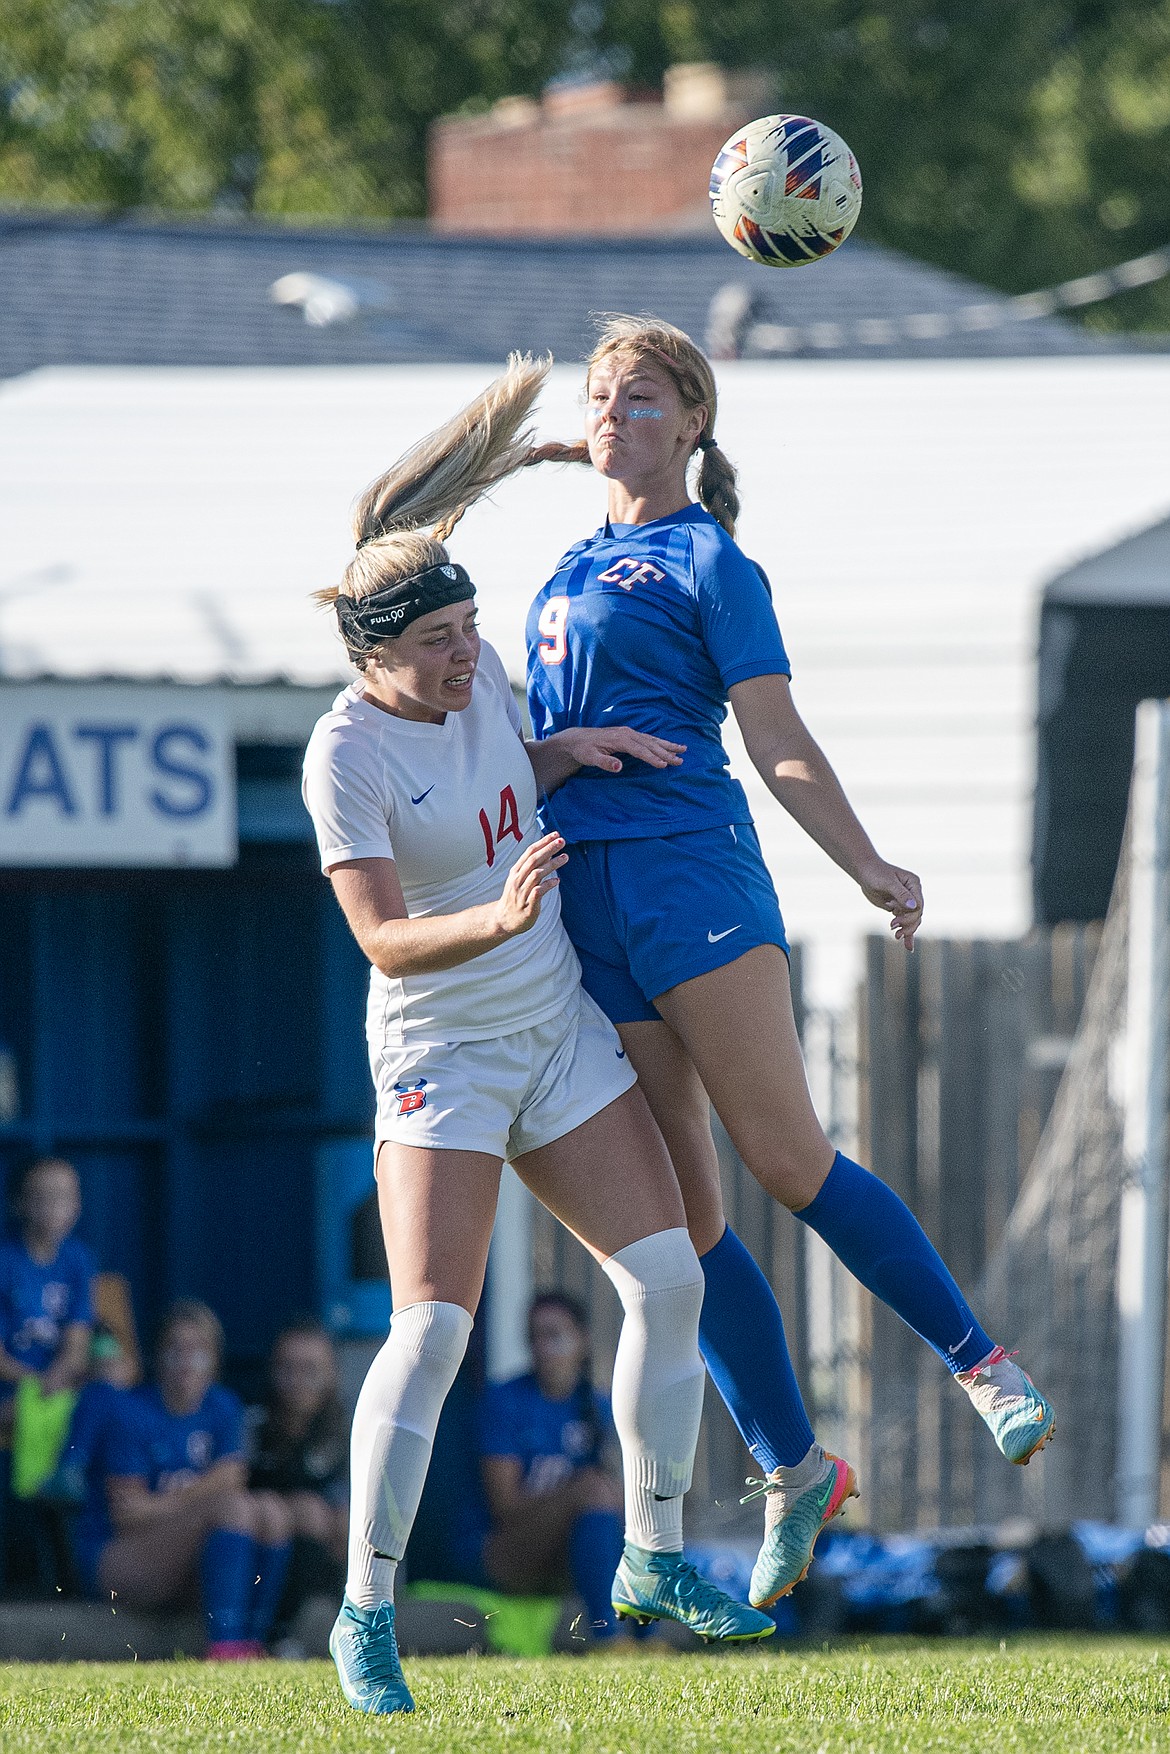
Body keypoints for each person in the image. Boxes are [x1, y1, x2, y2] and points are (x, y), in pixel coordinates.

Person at [517, 314, 1055, 1610]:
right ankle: (793, 1463)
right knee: (686, 1226)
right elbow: (522, 746)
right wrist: (552, 756)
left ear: (694, 422)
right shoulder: (561, 562)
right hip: (590, 908)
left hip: (691, 880)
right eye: (600, 396)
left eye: (642, 396)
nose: (615, 412)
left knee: (786, 1159)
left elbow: (777, 738)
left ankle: (982, 1360)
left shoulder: (708, 559)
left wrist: (865, 861)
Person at [301, 357, 775, 1715]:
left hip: (553, 1029)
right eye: (437, 642)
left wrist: (581, 748)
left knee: (668, 1275)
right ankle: (365, 1613)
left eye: (468, 628)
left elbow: (508, 764)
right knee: (435, 1331)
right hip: (442, 1052)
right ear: (372, 653)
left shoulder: (480, 676)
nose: (466, 653)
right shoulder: (344, 756)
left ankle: (655, 1553)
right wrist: (501, 916)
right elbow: (386, 938)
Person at [73, 1298, 293, 1658]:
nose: (187, 1362)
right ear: (158, 1357)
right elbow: (128, 1516)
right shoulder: (131, 1412)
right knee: (232, 1511)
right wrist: (205, 1499)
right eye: (176, 1350)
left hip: (184, 1554)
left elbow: (233, 1479)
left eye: (199, 1350)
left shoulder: (223, 1406)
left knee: (272, 1511)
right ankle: (224, 1648)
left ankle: (255, 1642)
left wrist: (167, 1503)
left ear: (215, 1358)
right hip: (117, 1561)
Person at [479, 1292, 624, 1640]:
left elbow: (620, 1497)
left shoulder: (599, 1406)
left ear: (583, 1341)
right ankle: (610, 1637)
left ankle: (642, 1634)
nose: (543, 1348)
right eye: (534, 1337)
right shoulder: (505, 1401)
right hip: (505, 1552)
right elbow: (505, 1507)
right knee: (592, 1488)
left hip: (572, 1551)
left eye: (554, 1336)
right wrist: (574, 1495)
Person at [0, 1157, 95, 1590]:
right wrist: (30, 1382)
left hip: (57, 1390)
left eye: (65, 1197)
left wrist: (59, 1375)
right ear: (21, 1203)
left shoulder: (78, 1259)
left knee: (103, 1401)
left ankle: (64, 1487)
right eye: (42, 1197)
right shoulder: (6, 1258)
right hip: (13, 1387)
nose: (54, 1207)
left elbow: (78, 1340)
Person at [248, 1320, 348, 1640]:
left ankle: (346, 1626)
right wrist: (290, 1511)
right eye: (287, 1369)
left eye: (310, 1370)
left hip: (327, 1566)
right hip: (261, 1557)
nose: (297, 1382)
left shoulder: (351, 1432)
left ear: (331, 1375)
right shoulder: (251, 1427)